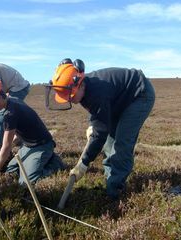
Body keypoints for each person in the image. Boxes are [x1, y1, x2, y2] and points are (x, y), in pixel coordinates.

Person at [46, 58, 155, 200]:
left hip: (139, 94)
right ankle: (111, 180)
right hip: (119, 99)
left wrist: (83, 163)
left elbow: (99, 133)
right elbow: (96, 112)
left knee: (122, 143)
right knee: (109, 142)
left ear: (80, 85)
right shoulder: (85, 88)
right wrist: (93, 125)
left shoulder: (97, 92)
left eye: (70, 96)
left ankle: (114, 193)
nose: (68, 100)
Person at [0, 80, 64, 184]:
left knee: (26, 181)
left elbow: (6, 145)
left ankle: (55, 164)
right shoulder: (13, 100)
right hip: (27, 146)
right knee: (11, 171)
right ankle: (41, 160)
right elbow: (19, 131)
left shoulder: (10, 114)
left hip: (42, 145)